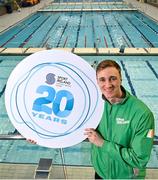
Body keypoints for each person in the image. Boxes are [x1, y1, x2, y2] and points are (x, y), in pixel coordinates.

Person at [84, 60, 154, 179]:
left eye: (112, 78)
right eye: (102, 80)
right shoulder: (94, 105)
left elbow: (139, 159)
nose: (107, 85)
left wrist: (102, 143)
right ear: (97, 81)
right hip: (101, 173)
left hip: (127, 177)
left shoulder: (142, 114)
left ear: (121, 79)